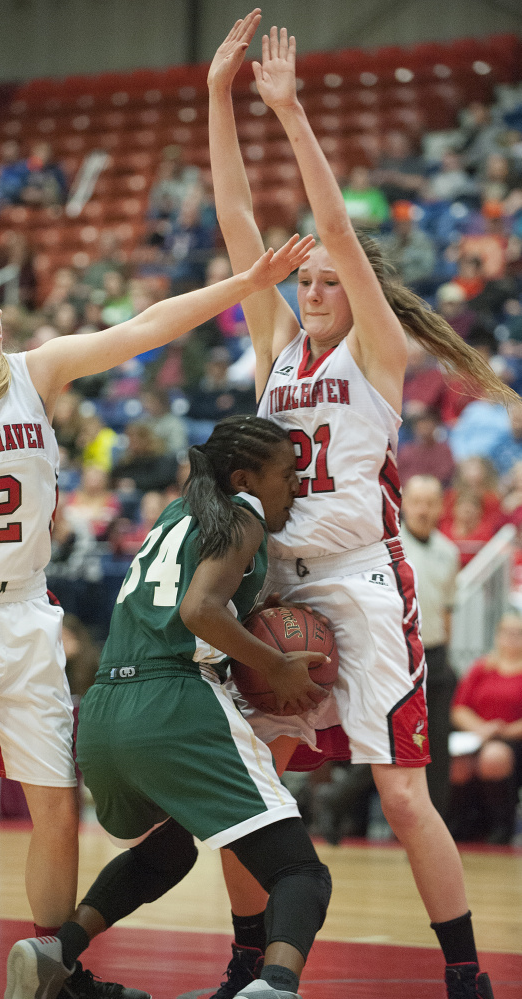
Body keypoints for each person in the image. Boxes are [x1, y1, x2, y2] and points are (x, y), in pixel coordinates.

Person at [0, 238, 313, 979]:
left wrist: (245, 282)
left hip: (26, 616)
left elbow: (144, 328)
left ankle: (54, 967)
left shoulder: (34, 373)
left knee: (56, 808)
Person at [207, 12, 519, 999]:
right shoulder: (278, 347)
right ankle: (247, 957)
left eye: (329, 278)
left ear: (361, 290)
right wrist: (217, 100)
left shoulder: (374, 355)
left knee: (399, 791)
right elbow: (236, 230)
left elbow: (332, 226)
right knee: (244, 787)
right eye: (304, 281)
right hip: (277, 586)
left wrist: (289, 114)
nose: (313, 284)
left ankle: (464, 974)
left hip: (360, 583)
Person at [4, 415, 333, 999]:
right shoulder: (244, 512)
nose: (298, 485)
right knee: (300, 873)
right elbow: (199, 612)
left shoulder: (178, 516)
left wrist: (252, 607)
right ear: (245, 478)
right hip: (173, 702)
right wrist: (277, 665)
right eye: (289, 473)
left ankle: (57, 953)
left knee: (172, 847)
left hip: (106, 708)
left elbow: (189, 604)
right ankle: (275, 988)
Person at [401, 476, 461, 819]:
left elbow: (447, 610)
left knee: (438, 743)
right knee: (404, 740)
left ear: (440, 507)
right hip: (399, 655)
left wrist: (447, 657)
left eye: (430, 502)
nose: (423, 509)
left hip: (436, 655)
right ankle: (339, 800)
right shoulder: (391, 547)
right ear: (404, 503)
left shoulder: (449, 552)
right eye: (417, 501)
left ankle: (438, 824)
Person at [449, 610, 522, 845]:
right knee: (459, 763)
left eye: (517, 633)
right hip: (478, 735)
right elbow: (459, 708)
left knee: (493, 758)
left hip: (513, 740)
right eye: (507, 632)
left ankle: (501, 826)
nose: (511, 638)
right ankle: (460, 824)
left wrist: (503, 731)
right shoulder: (482, 668)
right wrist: (481, 728)